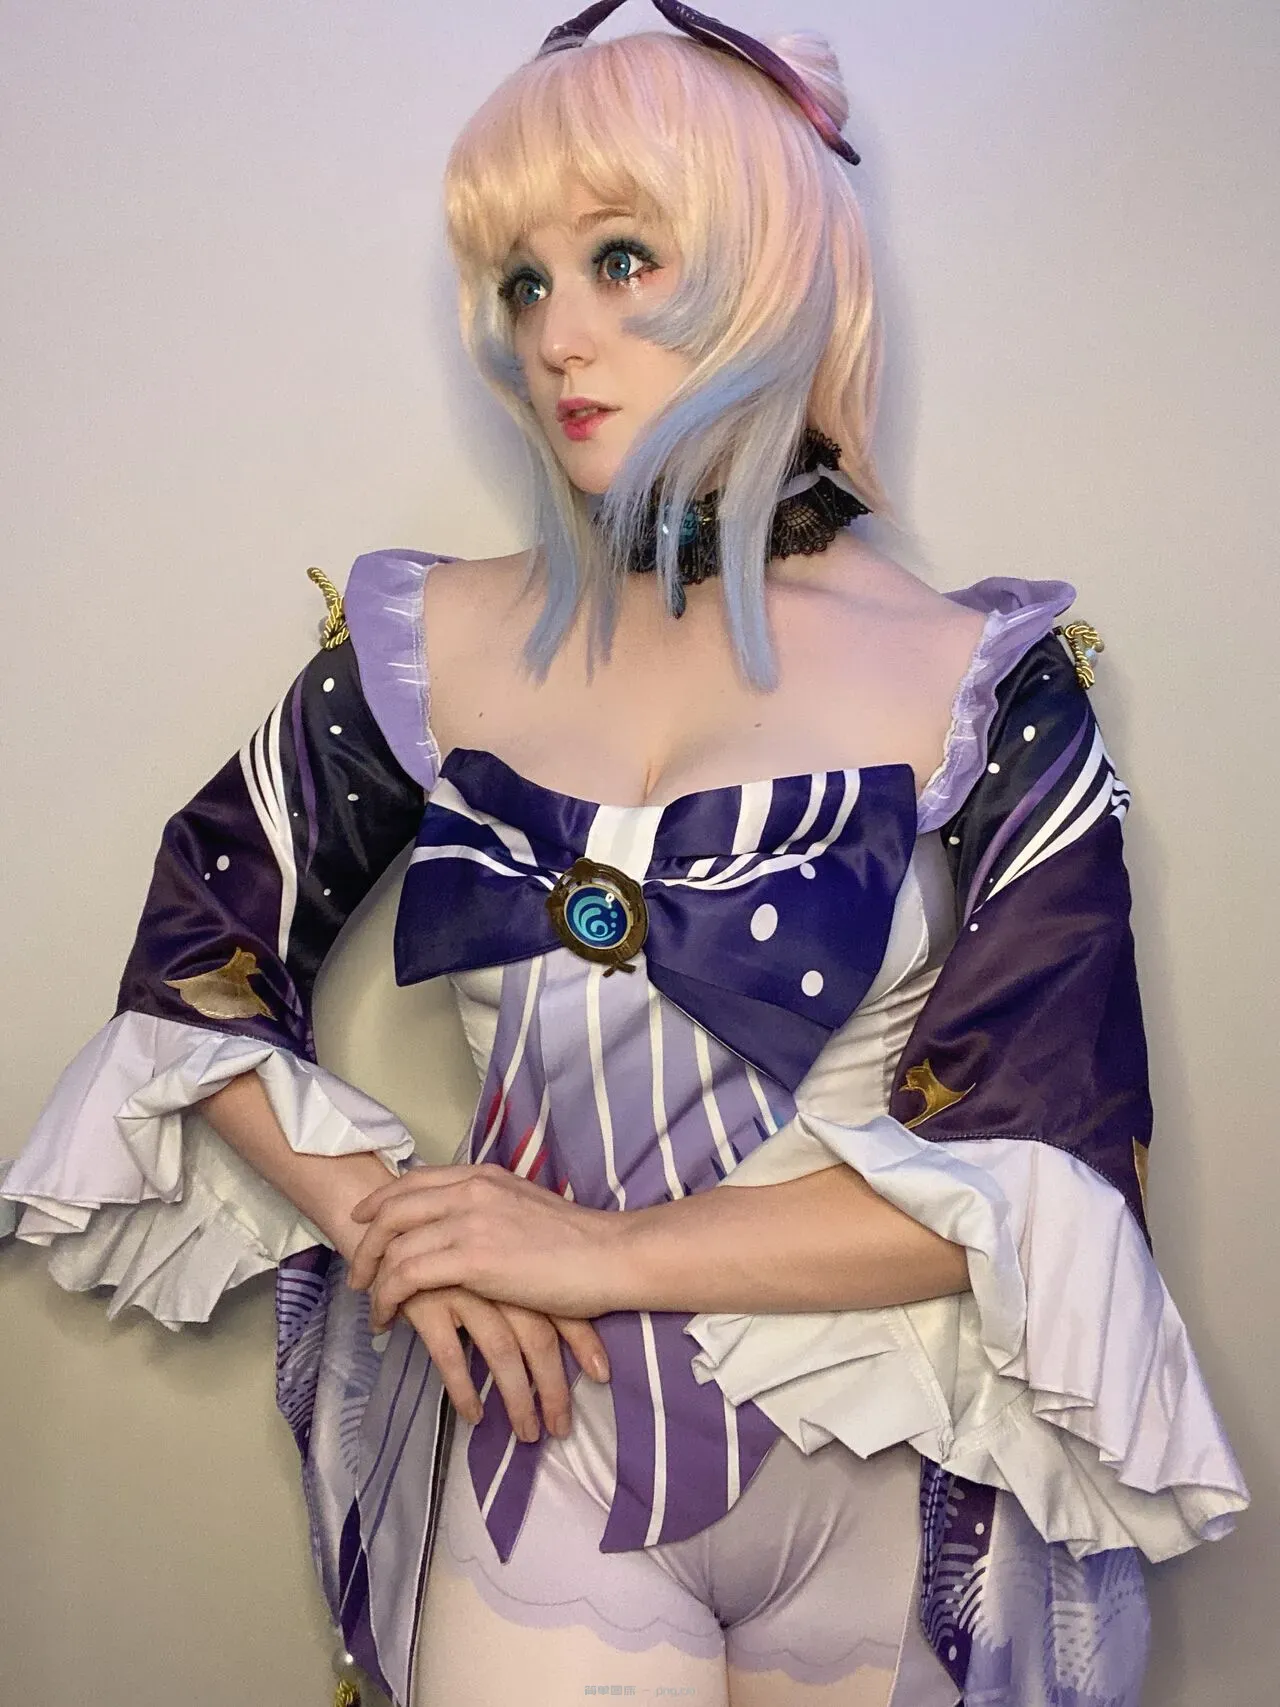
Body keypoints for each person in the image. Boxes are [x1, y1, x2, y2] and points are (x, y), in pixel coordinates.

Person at [0, 6, 1249, 1706]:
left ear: (769, 264)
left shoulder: (984, 680)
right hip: (550, 1452)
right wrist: (396, 1223)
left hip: (879, 1461)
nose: (555, 338)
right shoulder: (422, 643)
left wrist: (591, 1252)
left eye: (620, 260)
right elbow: (196, 961)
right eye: (522, 283)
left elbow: (1048, 1171)